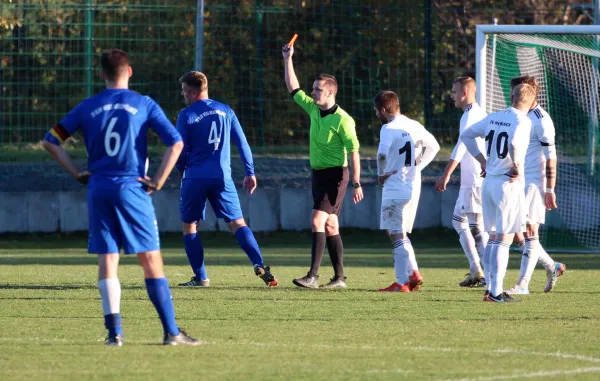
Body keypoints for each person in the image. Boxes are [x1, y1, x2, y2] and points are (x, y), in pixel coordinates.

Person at [42, 48, 200, 345]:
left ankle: (114, 334)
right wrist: (158, 181)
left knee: (108, 258)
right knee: (150, 258)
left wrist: (77, 172)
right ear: (129, 71)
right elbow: (176, 143)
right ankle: (171, 332)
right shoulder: (143, 104)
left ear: (102, 75)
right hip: (131, 190)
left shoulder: (88, 106)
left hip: (99, 189)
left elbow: (51, 141)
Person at [175, 71, 278, 288]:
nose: (182, 94)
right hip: (223, 176)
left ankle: (201, 278)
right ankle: (259, 263)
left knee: (190, 226)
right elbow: (242, 143)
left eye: (184, 90)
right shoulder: (226, 110)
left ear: (193, 92)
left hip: (195, 176)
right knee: (237, 223)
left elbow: (180, 149)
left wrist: (179, 170)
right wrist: (250, 172)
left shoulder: (186, 115)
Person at [282, 43, 363, 289]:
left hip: (336, 176)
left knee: (317, 220)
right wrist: (288, 59)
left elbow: (354, 152)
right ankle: (339, 279)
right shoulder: (314, 110)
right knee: (330, 225)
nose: (313, 92)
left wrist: (357, 183)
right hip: (318, 175)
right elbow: (294, 88)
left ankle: (312, 276)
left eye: (318, 90)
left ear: (330, 93)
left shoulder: (343, 120)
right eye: (314, 89)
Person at [461, 83, 536, 303]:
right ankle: (495, 292)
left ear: (512, 96)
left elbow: (466, 136)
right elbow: (513, 143)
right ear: (531, 103)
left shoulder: (494, 116)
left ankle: (492, 290)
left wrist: (482, 161)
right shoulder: (524, 120)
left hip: (489, 183)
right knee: (504, 239)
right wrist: (517, 166)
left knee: (494, 238)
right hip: (507, 184)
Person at [374, 91, 440, 292]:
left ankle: (402, 282)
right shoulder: (414, 125)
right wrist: (418, 166)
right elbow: (435, 146)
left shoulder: (388, 128)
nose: (376, 114)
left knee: (396, 234)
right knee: (398, 231)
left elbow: (382, 154)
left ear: (383, 110)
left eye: (376, 110)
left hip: (395, 185)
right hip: (413, 185)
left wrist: (380, 174)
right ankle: (413, 273)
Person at [505, 75, 565, 295]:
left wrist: (549, 190)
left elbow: (551, 157)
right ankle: (552, 266)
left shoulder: (541, 120)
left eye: (517, 93)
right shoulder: (518, 116)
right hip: (516, 181)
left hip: (533, 183)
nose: (513, 98)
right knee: (517, 232)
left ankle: (523, 284)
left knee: (530, 232)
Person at [435, 77, 488, 287]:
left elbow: (461, 146)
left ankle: (488, 276)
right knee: (459, 222)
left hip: (474, 180)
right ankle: (476, 269)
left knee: (476, 228)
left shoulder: (471, 115)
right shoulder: (477, 113)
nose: (452, 96)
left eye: (454, 92)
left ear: (464, 93)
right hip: (473, 178)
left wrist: (446, 174)